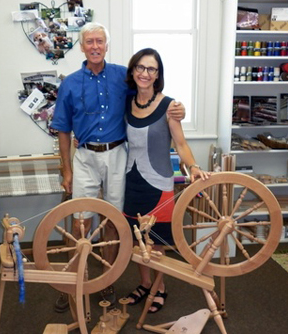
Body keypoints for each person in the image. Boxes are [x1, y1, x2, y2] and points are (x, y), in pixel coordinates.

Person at [50, 22, 186, 312]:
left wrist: (178, 108)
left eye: (100, 41)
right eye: (90, 42)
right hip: (85, 157)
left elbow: (148, 97)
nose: (95, 46)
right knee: (80, 221)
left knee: (114, 220)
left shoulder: (121, 79)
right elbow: (62, 129)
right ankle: (76, 280)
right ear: (82, 47)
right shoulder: (70, 83)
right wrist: (67, 171)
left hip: (117, 155)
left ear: (106, 45)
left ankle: (107, 281)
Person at [122, 48, 210, 314]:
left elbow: (181, 143)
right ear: (133, 70)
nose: (145, 73)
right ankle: (145, 283)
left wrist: (193, 166)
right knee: (138, 238)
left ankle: (160, 288)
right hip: (131, 180)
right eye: (140, 67)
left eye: (151, 69)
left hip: (159, 181)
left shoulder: (169, 106)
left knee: (156, 239)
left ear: (158, 75)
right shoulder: (126, 102)